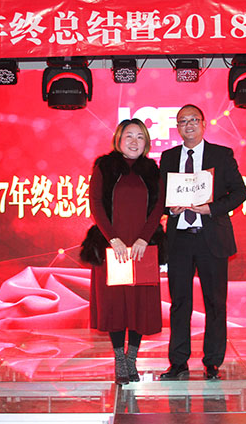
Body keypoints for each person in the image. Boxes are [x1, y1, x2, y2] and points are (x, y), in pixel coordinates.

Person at [159, 104, 246, 380]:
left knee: (215, 303)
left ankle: (212, 362)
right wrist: (169, 208)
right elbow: (160, 196)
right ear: (177, 127)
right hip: (180, 241)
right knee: (180, 303)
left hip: (212, 239)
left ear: (203, 124)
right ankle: (178, 362)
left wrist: (211, 208)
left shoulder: (221, 155)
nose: (188, 125)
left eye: (193, 120)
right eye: (182, 121)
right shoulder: (168, 157)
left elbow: (240, 193)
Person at [80, 118, 166, 385]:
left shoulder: (151, 170)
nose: (134, 142)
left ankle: (131, 359)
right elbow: (96, 204)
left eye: (140, 137)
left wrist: (144, 239)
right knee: (115, 305)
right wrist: (113, 239)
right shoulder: (105, 167)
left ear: (146, 143)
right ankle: (119, 359)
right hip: (112, 248)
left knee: (139, 304)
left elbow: (159, 206)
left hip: (142, 248)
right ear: (118, 139)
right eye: (129, 136)